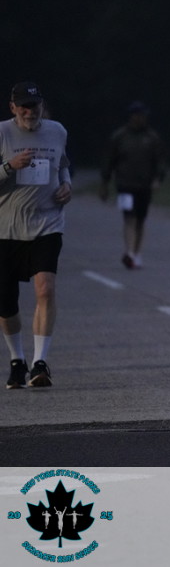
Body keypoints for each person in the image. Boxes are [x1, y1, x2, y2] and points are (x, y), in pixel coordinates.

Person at [1, 82, 73, 389]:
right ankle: (17, 359)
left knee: (45, 289)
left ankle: (39, 362)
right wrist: (9, 166)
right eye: (25, 107)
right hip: (6, 228)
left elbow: (63, 164)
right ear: (13, 107)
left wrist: (67, 185)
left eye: (35, 106)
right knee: (6, 303)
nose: (31, 112)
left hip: (47, 223)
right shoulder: (2, 133)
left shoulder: (57, 131)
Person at [98, 101, 166, 269]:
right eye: (137, 115)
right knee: (129, 217)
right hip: (124, 185)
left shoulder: (152, 137)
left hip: (144, 185)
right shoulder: (120, 136)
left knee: (140, 219)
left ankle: (136, 252)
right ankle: (129, 251)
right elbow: (109, 160)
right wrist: (105, 183)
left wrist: (157, 179)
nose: (140, 118)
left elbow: (159, 161)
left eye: (143, 115)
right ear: (132, 116)